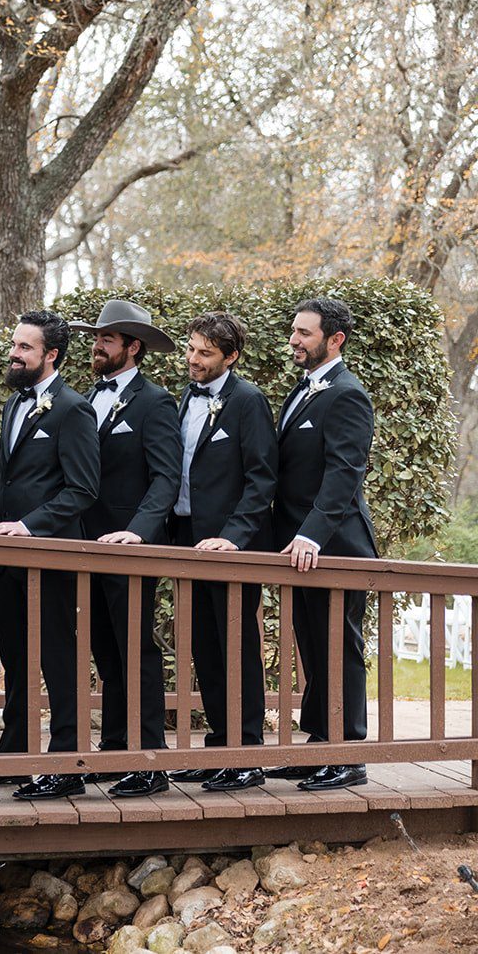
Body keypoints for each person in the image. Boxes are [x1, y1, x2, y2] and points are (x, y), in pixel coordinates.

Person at [0, 310, 100, 801]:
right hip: (6, 558)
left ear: (51, 355)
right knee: (14, 655)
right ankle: (15, 751)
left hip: (49, 555)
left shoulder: (73, 409)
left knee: (57, 654)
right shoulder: (13, 405)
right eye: (15, 344)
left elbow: (83, 488)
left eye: (25, 347)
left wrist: (29, 526)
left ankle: (67, 760)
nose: (15, 352)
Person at [69, 301, 182, 799]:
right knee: (104, 650)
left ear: (133, 348)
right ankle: (116, 749)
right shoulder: (85, 398)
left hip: (130, 548)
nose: (97, 345)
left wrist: (138, 531)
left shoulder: (153, 402)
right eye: (97, 337)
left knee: (137, 649)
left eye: (108, 339)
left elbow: (165, 476)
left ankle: (149, 760)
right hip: (85, 546)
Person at [270, 297, 377, 792]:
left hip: (336, 546)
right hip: (300, 546)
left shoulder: (348, 394)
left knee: (340, 646)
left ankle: (348, 751)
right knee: (311, 644)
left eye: (305, 333)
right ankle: (319, 745)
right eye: (294, 330)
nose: (294, 339)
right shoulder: (303, 390)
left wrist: (312, 533)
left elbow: (343, 474)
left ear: (335, 340)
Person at [166, 312, 276, 793]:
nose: (193, 360)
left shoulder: (248, 402)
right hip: (186, 537)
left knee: (237, 647)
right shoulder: (188, 396)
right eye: (191, 349)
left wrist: (233, 535)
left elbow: (261, 479)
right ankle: (219, 748)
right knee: (204, 646)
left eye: (205, 353)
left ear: (230, 357)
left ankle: (246, 751)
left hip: (232, 546)